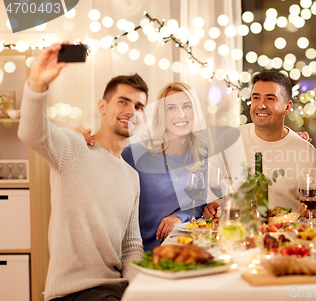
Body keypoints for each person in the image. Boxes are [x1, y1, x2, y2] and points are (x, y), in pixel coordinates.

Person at [18, 43, 146, 300]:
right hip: (75, 292)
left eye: (139, 106)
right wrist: (37, 84)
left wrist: (136, 292)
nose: (131, 111)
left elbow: (132, 247)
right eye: (123, 101)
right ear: (102, 106)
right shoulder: (74, 146)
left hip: (116, 289)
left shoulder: (132, 177)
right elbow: (32, 134)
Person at [76, 82, 209, 252]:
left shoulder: (202, 154)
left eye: (186, 106)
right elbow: (101, 171)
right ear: (161, 115)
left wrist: (179, 216)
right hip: (140, 253)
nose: (181, 114)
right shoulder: (134, 154)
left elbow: (199, 200)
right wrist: (80, 140)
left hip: (182, 249)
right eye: (172, 108)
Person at [203, 70, 316, 218]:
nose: (261, 105)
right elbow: (215, 193)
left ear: (288, 107)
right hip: (239, 232)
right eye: (256, 97)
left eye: (270, 99)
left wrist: (313, 211)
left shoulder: (305, 151)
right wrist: (214, 204)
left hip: (287, 235)